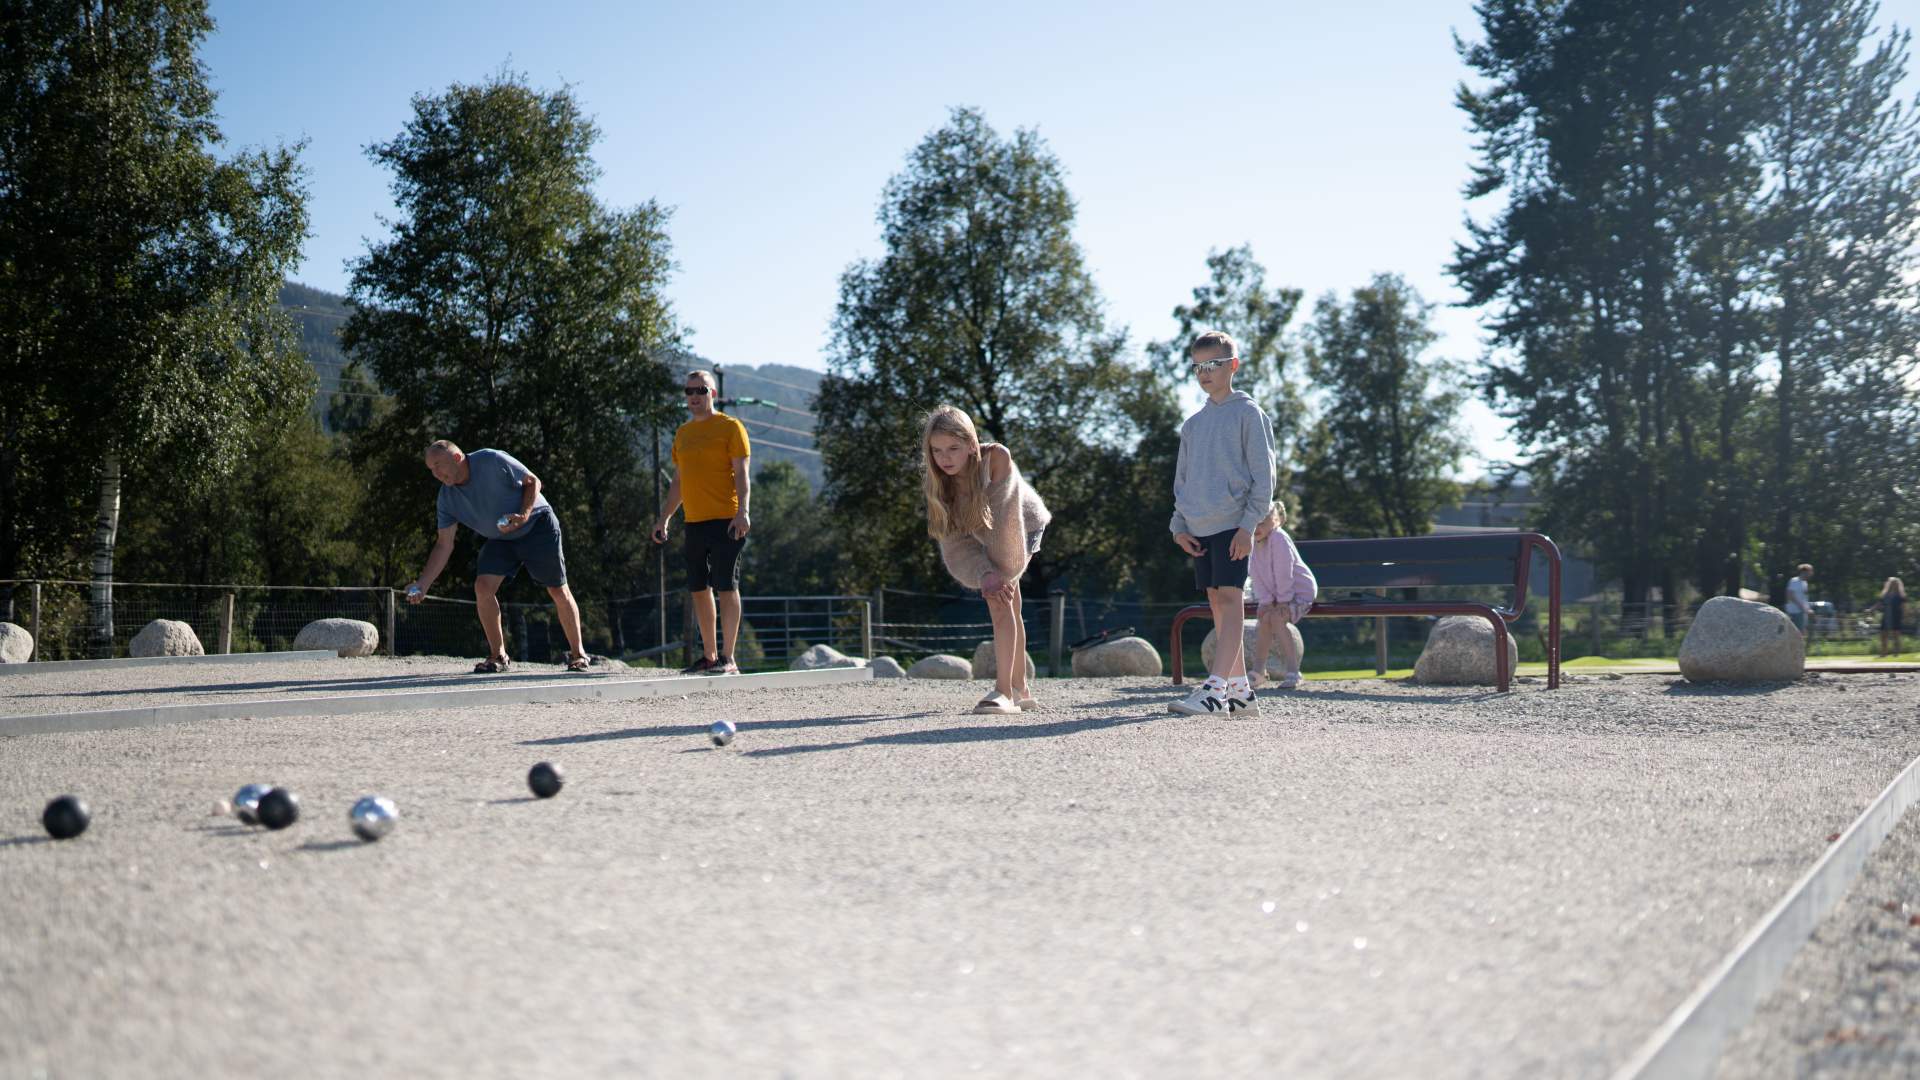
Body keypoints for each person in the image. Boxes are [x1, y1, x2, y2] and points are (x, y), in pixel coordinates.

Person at [1167, 330, 1276, 717]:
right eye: (1197, 367)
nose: (1204, 373)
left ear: (1233, 365)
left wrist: (1249, 525)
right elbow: (1182, 480)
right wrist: (1179, 526)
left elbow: (1264, 478)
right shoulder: (1193, 425)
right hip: (1199, 527)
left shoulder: (1249, 414)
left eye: (1212, 365)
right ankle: (1241, 693)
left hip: (1234, 525)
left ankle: (1215, 692)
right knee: (1216, 600)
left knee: (1230, 599)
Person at [409, 440, 588, 673]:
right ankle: (498, 656)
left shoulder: (492, 460)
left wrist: (523, 515)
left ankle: (578, 655)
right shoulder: (446, 498)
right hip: (501, 539)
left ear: (457, 458)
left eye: (439, 465)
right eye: (431, 469)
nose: (436, 474)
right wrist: (423, 584)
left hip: (537, 525)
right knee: (483, 587)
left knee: (557, 589)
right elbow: (444, 545)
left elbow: (533, 481)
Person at [923, 406, 1051, 715]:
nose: (945, 458)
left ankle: (1004, 691)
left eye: (954, 448)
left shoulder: (996, 459)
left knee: (1001, 598)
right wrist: (983, 574)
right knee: (1007, 600)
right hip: (981, 534)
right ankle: (1021, 688)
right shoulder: (939, 483)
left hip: (1022, 524)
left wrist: (999, 577)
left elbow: (1007, 531)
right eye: (937, 450)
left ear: (970, 443)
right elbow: (955, 548)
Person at [651, 370, 752, 676]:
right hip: (694, 521)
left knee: (725, 586)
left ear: (713, 394)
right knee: (698, 588)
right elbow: (678, 482)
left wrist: (743, 511)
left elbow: (743, 475)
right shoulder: (683, 434)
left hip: (727, 520)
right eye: (689, 391)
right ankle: (708, 656)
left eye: (701, 390)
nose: (694, 395)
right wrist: (664, 518)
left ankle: (728, 658)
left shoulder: (730, 427)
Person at [1248, 502, 1317, 691]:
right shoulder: (1251, 542)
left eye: (1263, 522)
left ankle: (1294, 671)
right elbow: (1256, 574)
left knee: (1277, 619)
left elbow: (1284, 572)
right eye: (1253, 522)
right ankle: (1259, 671)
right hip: (1277, 595)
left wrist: (1283, 601)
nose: (1257, 528)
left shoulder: (1278, 539)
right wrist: (1265, 602)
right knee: (1264, 619)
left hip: (1297, 593)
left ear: (1275, 520)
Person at [1870, 576, 1906, 657]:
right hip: (1886, 616)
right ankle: (1883, 653)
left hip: (1896, 616)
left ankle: (1896, 653)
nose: (1893, 584)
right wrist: (1871, 609)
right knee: (1883, 635)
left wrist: (1904, 616)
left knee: (1896, 635)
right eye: (1891, 583)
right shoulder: (1885, 595)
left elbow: (1904, 607)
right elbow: (1879, 604)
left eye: (1895, 583)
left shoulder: (1901, 595)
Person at [1784, 563, 1813, 636]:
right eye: (1810, 571)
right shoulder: (1794, 581)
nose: (1811, 573)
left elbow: (1804, 598)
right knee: (1796, 633)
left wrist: (1807, 609)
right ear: (1804, 572)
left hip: (1802, 611)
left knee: (1802, 633)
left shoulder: (1804, 583)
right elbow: (1790, 596)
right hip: (1794, 611)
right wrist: (1802, 608)